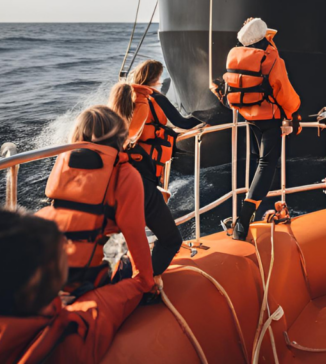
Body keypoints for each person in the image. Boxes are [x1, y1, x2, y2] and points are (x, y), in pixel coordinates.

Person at [34, 106, 155, 296]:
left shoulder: (64, 163)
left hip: (37, 270)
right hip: (77, 285)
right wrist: (147, 283)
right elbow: (135, 235)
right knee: (127, 266)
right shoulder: (125, 174)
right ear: (120, 137)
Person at [0, 209, 145, 364]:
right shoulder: (63, 342)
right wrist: (139, 284)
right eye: (62, 252)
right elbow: (101, 311)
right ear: (32, 288)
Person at [210, 17, 302, 241]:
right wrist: (294, 116)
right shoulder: (271, 59)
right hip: (270, 119)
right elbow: (283, 90)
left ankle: (245, 214)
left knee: (255, 160)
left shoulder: (235, 54)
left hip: (248, 116)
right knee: (266, 165)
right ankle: (244, 219)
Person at [108, 75, 195, 277]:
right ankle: (144, 283)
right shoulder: (132, 130)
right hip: (140, 189)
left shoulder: (105, 130)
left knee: (124, 241)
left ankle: (123, 279)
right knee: (170, 240)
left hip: (114, 191)